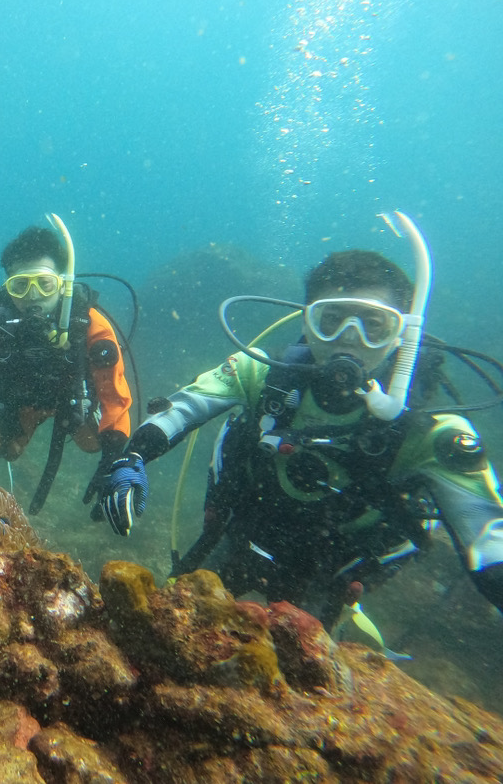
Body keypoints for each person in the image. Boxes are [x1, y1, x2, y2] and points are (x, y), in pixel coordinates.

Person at [87, 233, 503, 628]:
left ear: (402, 336)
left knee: (306, 663)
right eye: (331, 320)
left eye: (374, 325)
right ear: (307, 321)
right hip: (245, 531)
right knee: (173, 624)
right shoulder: (262, 373)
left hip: (334, 568)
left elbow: (488, 536)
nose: (349, 340)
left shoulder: (433, 432)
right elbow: (186, 407)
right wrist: (133, 457)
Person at [0, 223, 133, 514]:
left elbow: (114, 397)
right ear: (7, 286)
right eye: (20, 285)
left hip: (73, 403)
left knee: (97, 444)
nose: (33, 296)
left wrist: (113, 459)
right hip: (19, 404)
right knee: (6, 451)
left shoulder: (89, 323)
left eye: (45, 284)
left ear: (63, 284)